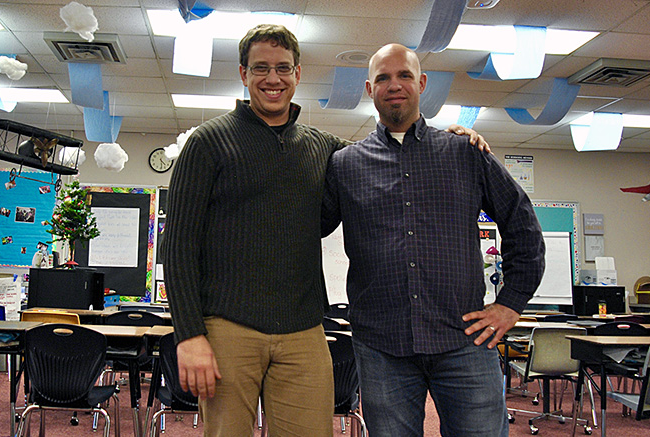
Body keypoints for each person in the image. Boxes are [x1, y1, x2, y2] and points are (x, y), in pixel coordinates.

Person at [164, 25, 488, 436]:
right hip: (228, 328)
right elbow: (177, 248)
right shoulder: (208, 143)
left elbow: (383, 152)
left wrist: (452, 137)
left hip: (303, 329)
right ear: (244, 74)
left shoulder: (325, 149)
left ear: (298, 74)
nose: (273, 79)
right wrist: (189, 335)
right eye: (261, 68)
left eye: (283, 68)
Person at [321, 43, 545, 437]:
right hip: (381, 347)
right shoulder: (345, 164)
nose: (395, 85)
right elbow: (306, 229)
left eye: (404, 75)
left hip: (463, 340)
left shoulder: (465, 152)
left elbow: (522, 226)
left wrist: (510, 305)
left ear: (422, 83)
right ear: (369, 89)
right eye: (384, 78)